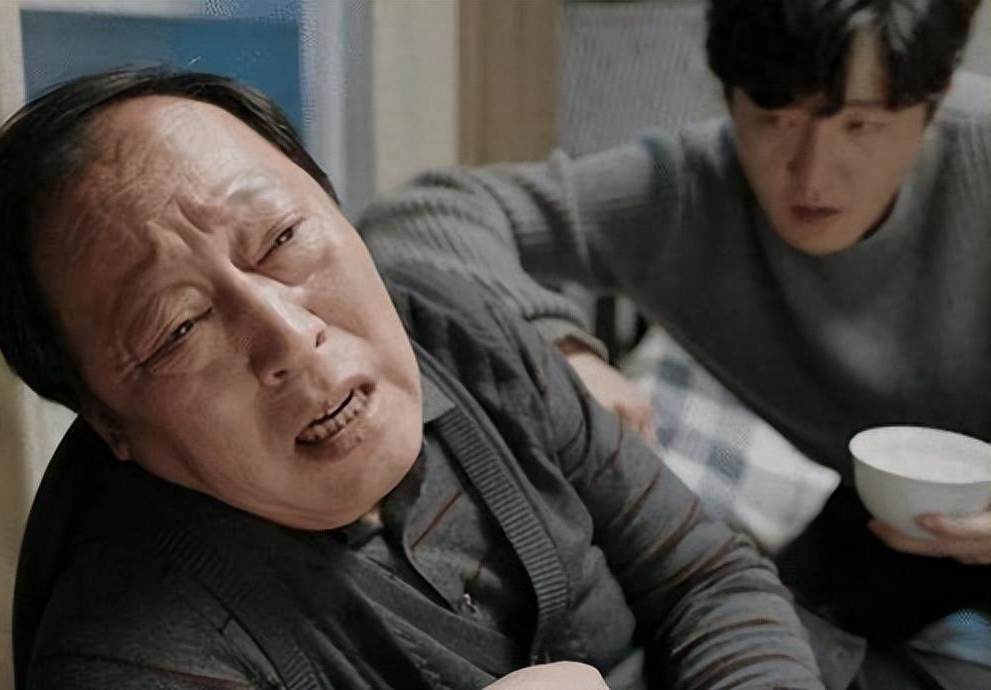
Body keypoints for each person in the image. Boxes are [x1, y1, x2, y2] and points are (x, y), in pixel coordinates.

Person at [0, 68, 829, 689]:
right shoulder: (140, 655)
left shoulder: (460, 328)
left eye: (281, 238)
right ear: (109, 423)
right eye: (179, 327)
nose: (287, 335)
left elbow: (708, 579)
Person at [357, 0, 989, 686]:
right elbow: (420, 215)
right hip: (878, 514)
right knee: (765, 635)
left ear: (933, 104)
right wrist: (558, 347)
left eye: (861, 124)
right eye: (776, 118)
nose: (813, 174)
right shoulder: (690, 191)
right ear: (730, 99)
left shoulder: (979, 160)